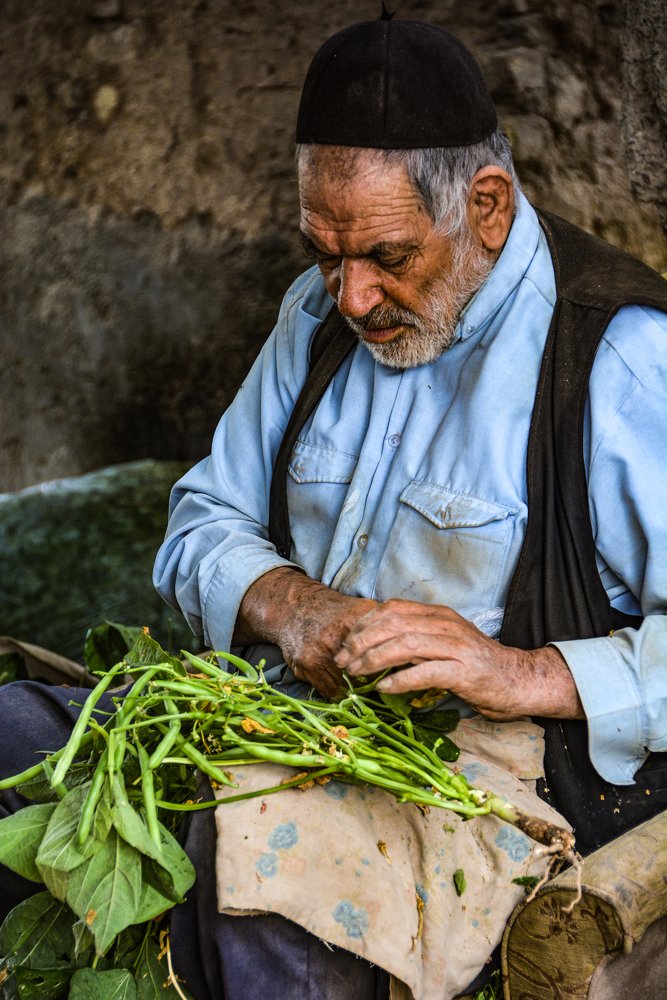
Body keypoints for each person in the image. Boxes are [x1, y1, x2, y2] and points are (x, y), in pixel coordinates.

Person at [1, 13, 666, 1000]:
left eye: (388, 256)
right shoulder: (315, 316)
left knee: (269, 877)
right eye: (322, 251)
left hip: (485, 786)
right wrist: (293, 607)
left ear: (486, 206)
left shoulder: (616, 360)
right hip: (283, 719)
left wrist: (516, 669)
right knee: (13, 731)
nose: (350, 297)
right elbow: (200, 522)